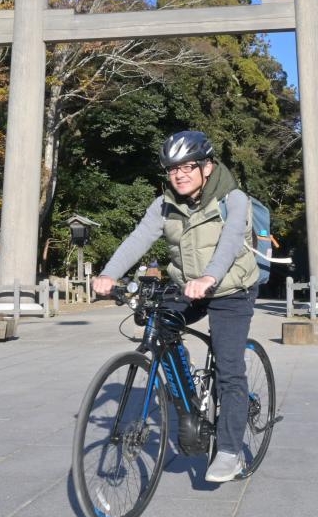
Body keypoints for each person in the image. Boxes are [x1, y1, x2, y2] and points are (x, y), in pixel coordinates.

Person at [92, 130, 259, 483]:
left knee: (230, 368)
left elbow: (229, 244)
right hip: (189, 285)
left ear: (207, 167)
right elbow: (139, 238)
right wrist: (109, 274)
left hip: (231, 288)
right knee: (160, 322)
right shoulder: (165, 203)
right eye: (172, 169)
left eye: (187, 167)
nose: (179, 175)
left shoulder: (233, 198)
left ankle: (229, 452)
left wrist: (210, 278)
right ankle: (189, 399)